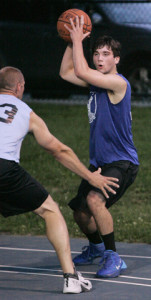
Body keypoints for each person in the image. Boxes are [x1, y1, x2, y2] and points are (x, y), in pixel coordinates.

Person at [0, 66, 119, 293]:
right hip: (4, 166)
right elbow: (58, 150)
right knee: (50, 210)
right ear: (19, 87)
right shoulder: (25, 112)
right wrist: (90, 177)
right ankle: (70, 277)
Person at [59, 16, 139, 278]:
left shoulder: (119, 83)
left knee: (95, 201)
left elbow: (81, 71)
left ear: (117, 59)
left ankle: (113, 256)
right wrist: (71, 43)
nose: (100, 58)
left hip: (122, 162)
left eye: (106, 54)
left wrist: (76, 38)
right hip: (100, 162)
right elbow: (67, 73)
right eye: (96, 53)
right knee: (81, 213)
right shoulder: (95, 82)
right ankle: (95, 248)